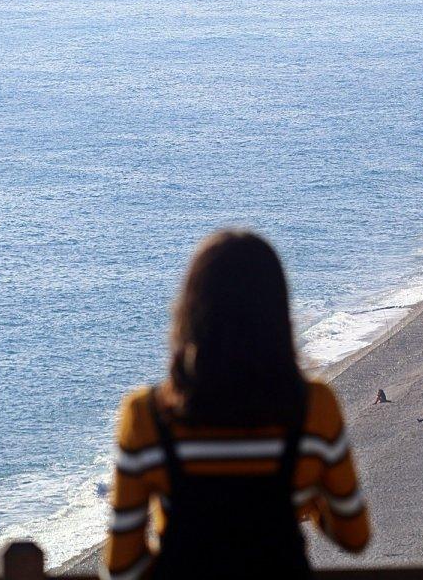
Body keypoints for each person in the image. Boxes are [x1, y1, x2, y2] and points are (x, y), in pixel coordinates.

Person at [103, 231, 370, 580]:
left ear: (189, 312)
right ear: (278, 313)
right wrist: (309, 491)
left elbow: (121, 567)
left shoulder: (146, 417)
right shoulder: (313, 408)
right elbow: (354, 537)